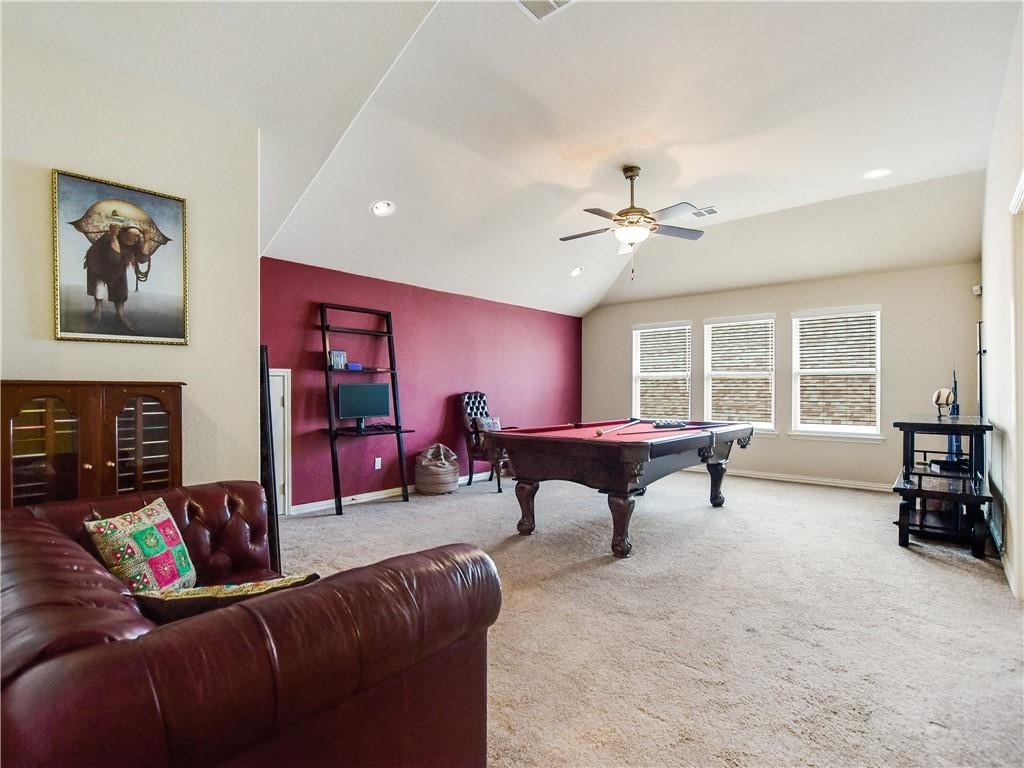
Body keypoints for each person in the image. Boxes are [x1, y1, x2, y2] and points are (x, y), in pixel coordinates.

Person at [84, 223, 145, 330]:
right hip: (100, 266)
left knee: (121, 289)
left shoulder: (137, 242)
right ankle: (97, 310)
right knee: (99, 287)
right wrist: (113, 237)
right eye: (133, 235)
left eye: (137, 236)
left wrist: (147, 241)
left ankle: (120, 314)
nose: (136, 238)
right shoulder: (109, 236)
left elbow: (143, 259)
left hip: (118, 268)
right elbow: (114, 257)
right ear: (123, 233)